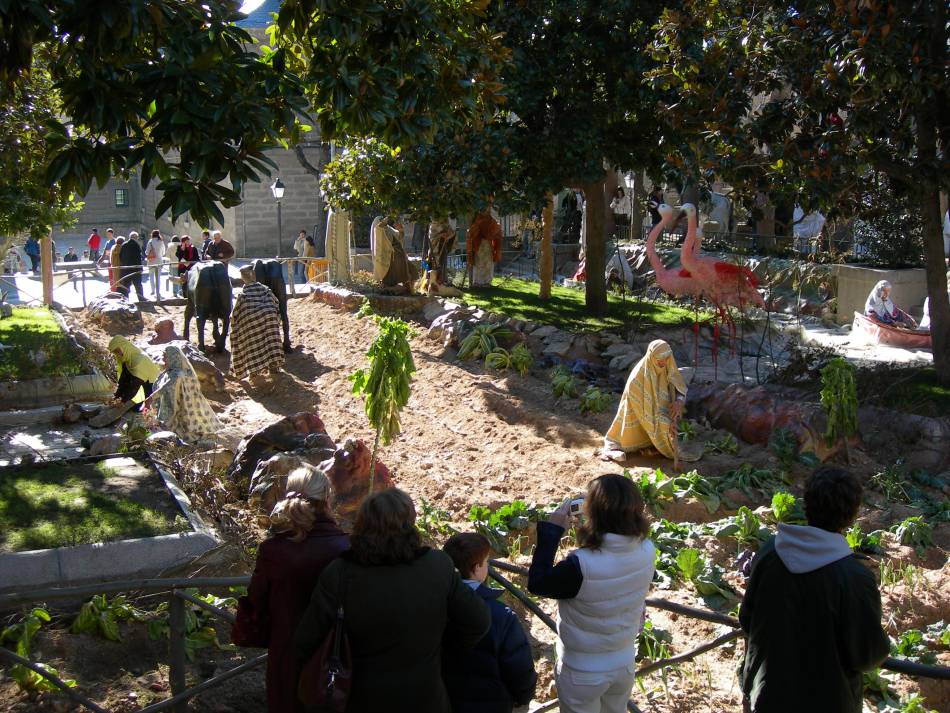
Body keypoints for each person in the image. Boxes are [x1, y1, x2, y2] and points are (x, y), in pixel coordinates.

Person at [294, 489, 490, 713]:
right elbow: (478, 622)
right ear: (411, 524)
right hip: (424, 698)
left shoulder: (339, 573)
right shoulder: (438, 566)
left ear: (363, 525)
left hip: (359, 699)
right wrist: (439, 650)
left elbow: (306, 641)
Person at [740, 467, 889, 713]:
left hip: (768, 696)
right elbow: (867, 655)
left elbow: (747, 619)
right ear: (852, 516)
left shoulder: (770, 551)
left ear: (806, 504)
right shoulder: (854, 577)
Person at [528, 474, 655, 713]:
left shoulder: (580, 566)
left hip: (582, 671)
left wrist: (552, 531)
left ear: (594, 515)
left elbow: (538, 583)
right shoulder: (647, 549)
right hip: (624, 661)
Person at [233, 467, 348, 713]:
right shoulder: (347, 548)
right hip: (338, 657)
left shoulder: (274, 551)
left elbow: (255, 601)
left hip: (287, 654)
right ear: (327, 498)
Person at [441, 532, 536, 713]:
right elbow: (519, 668)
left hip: (446, 701)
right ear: (477, 568)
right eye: (486, 562)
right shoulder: (501, 615)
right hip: (491, 703)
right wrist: (523, 697)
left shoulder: (434, 607)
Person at [603, 340, 686, 461]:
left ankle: (653, 441)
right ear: (651, 357)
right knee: (660, 428)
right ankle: (615, 447)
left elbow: (680, 387)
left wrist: (679, 401)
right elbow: (647, 415)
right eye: (659, 359)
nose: (663, 362)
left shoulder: (668, 363)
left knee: (666, 428)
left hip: (660, 410)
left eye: (666, 358)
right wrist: (666, 423)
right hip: (641, 413)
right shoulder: (637, 379)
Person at [143, 345, 222, 443]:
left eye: (165, 356)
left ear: (173, 356)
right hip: (178, 407)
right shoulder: (171, 372)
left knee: (186, 430)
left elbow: (166, 387)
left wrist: (151, 397)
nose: (163, 359)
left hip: (183, 408)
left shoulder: (178, 374)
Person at [230, 265, 285, 381]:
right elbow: (276, 303)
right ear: (254, 275)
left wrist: (235, 325)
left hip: (251, 324)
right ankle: (274, 364)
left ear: (242, 278)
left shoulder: (242, 296)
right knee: (271, 336)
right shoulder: (266, 290)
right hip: (269, 318)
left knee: (244, 334)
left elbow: (234, 316)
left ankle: (254, 369)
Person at [108, 335, 161, 410]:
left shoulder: (139, 360)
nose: (117, 355)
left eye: (117, 351)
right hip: (145, 385)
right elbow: (123, 382)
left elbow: (134, 386)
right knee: (132, 408)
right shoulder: (127, 359)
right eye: (115, 352)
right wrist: (116, 397)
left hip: (154, 388)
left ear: (124, 347)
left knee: (149, 410)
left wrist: (122, 402)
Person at [466, 209, 503, 288]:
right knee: (479, 263)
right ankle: (478, 282)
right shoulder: (479, 219)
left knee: (487, 263)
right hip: (479, 244)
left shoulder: (491, 220)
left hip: (487, 245)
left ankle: (485, 282)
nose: (487, 211)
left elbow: (496, 230)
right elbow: (473, 231)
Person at [117, 231, 147, 301]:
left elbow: (120, 256)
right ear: (136, 238)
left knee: (126, 286)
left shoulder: (124, 245)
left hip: (125, 269)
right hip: (135, 270)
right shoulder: (136, 245)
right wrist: (140, 268)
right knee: (138, 286)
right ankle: (141, 299)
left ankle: (125, 300)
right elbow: (138, 258)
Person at [145, 229, 166, 300]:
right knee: (158, 277)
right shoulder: (161, 242)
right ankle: (158, 290)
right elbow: (163, 252)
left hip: (151, 261)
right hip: (159, 261)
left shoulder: (150, 242)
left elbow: (147, 252)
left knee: (151, 276)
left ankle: (153, 290)